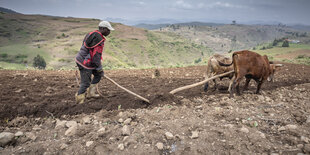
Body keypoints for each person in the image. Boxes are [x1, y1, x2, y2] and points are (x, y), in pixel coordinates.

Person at [75, 21, 114, 104]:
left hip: (86, 60)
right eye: (108, 30)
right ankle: (79, 101)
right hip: (85, 62)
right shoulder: (98, 39)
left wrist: (99, 70)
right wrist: (100, 68)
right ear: (103, 29)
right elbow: (96, 56)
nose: (109, 32)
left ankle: (90, 93)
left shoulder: (92, 34)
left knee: (97, 75)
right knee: (85, 83)